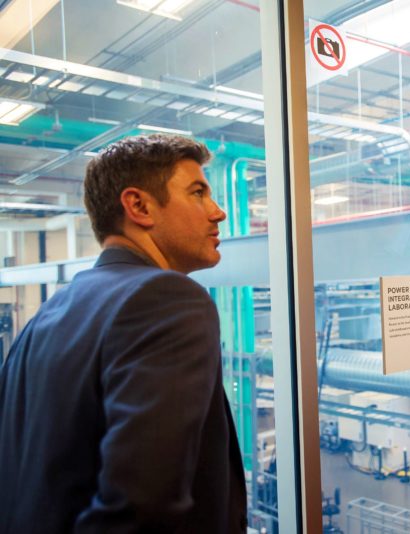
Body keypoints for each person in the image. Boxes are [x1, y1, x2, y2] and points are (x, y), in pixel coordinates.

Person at [0, 134, 247, 533]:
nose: (217, 212)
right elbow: (141, 506)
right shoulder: (167, 298)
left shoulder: (44, 318)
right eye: (198, 193)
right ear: (139, 206)